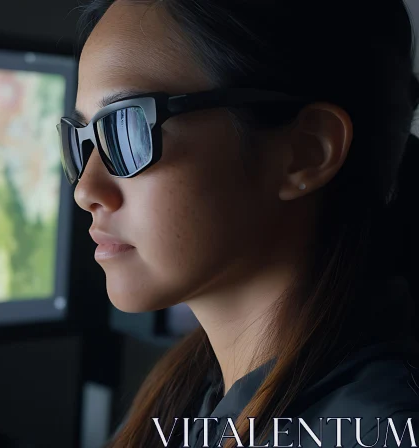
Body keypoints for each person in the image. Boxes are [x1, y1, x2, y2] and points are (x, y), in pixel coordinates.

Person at [58, 0, 419, 446]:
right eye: (81, 140)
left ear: (307, 151)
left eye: (127, 128)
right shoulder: (190, 398)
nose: (85, 189)